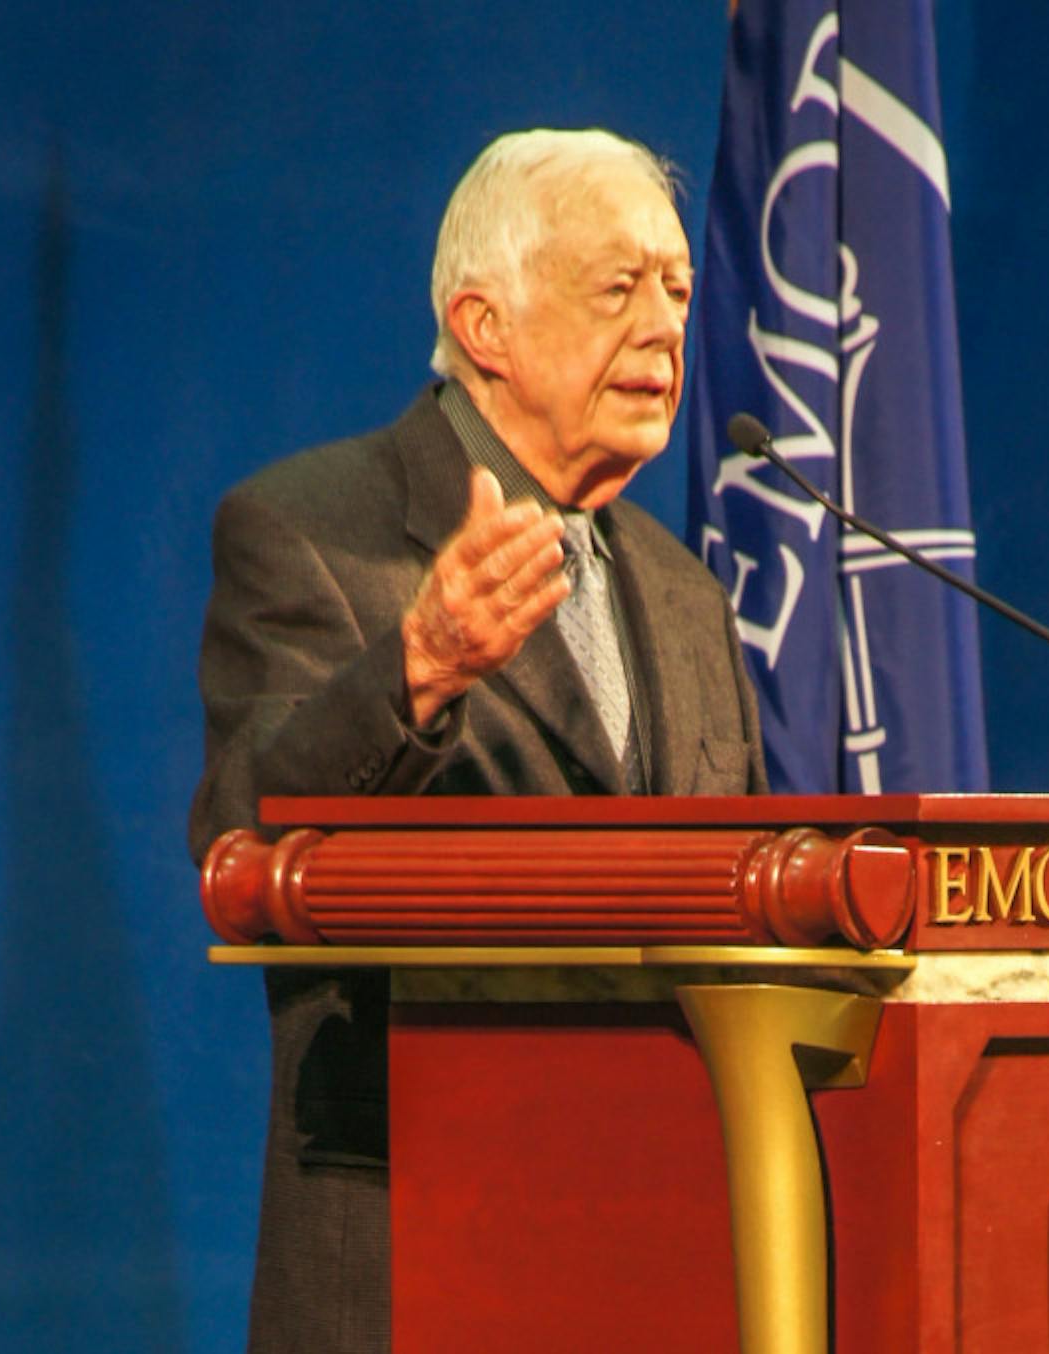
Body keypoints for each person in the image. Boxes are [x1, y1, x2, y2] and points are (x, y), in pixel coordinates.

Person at [187, 128, 767, 1354]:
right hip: (418, 1245)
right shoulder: (311, 533)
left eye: (676, 286)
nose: (665, 326)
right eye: (618, 287)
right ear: (483, 322)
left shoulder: (681, 592)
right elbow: (242, 835)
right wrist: (418, 671)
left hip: (662, 1250)